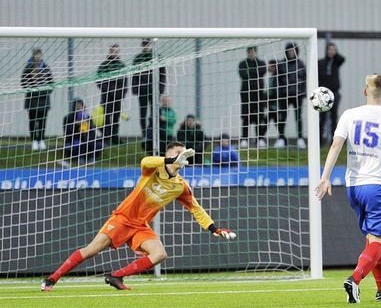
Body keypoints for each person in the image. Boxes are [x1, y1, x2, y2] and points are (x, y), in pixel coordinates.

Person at [40, 142, 236, 291]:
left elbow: (195, 208)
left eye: (183, 153)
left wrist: (214, 228)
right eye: (177, 152)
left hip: (140, 226)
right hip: (123, 218)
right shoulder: (153, 169)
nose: (181, 156)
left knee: (160, 254)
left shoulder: (181, 186)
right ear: (167, 155)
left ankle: (115, 276)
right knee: (92, 249)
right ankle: (51, 279)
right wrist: (169, 161)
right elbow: (145, 161)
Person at [315, 74, 381, 304]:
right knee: (380, 242)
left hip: (353, 187)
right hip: (378, 185)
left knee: (372, 238)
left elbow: (336, 145)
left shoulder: (349, 114)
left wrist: (325, 178)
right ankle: (354, 280)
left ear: (365, 92)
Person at [132, 39, 166, 140]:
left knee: (154, 113)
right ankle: (144, 135)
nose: (146, 46)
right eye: (144, 44)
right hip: (142, 90)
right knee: (143, 113)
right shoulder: (138, 58)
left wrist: (160, 89)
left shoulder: (157, 57)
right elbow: (134, 75)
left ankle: (153, 134)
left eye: (148, 44)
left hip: (155, 90)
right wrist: (135, 89)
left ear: (151, 45)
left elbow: (162, 74)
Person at [276, 42, 307, 149]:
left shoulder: (301, 64)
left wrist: (304, 93)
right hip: (284, 95)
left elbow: (305, 80)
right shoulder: (281, 64)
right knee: (282, 117)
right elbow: (278, 80)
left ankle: (300, 139)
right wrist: (279, 93)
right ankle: (281, 139)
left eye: (293, 50)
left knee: (298, 117)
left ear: (296, 51)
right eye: (289, 51)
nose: (291, 52)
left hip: (298, 95)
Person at [21, 48, 54, 151]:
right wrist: (34, 90)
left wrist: (44, 91)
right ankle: (34, 141)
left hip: (44, 100)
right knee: (32, 121)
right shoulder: (28, 68)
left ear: (42, 55)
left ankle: (41, 140)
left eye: (39, 54)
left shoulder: (46, 67)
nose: (38, 56)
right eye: (36, 55)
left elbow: (51, 83)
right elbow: (23, 83)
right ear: (33, 56)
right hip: (32, 100)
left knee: (42, 121)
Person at [96, 44, 127, 145]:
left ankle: (115, 137)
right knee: (106, 117)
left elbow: (125, 81)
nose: (114, 53)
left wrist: (122, 93)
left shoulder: (122, 65)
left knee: (116, 117)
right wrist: (108, 90)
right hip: (107, 96)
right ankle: (106, 137)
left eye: (116, 51)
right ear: (110, 52)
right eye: (113, 51)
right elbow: (99, 80)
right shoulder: (104, 65)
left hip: (117, 97)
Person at [238, 46, 267, 148]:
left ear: (256, 52)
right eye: (250, 52)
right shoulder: (242, 64)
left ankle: (260, 138)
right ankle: (244, 139)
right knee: (246, 117)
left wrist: (251, 71)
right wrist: (254, 72)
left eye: (253, 52)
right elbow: (244, 75)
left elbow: (262, 72)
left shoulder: (261, 63)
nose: (251, 53)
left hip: (259, 95)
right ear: (247, 53)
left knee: (259, 117)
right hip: (246, 95)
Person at [317, 42, 346, 144]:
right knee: (322, 119)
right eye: (329, 49)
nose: (331, 51)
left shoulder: (336, 62)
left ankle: (334, 142)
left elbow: (342, 59)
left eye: (333, 50)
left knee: (334, 118)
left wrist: (335, 54)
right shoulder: (320, 62)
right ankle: (320, 141)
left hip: (335, 93)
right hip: (323, 94)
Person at [63, 98, 103, 165]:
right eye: (77, 106)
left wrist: (87, 126)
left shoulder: (87, 117)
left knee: (91, 140)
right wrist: (75, 125)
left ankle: (91, 157)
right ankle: (80, 157)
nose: (79, 108)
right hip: (75, 138)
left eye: (80, 106)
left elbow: (92, 131)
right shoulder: (68, 118)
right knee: (80, 142)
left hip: (87, 138)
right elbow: (67, 133)